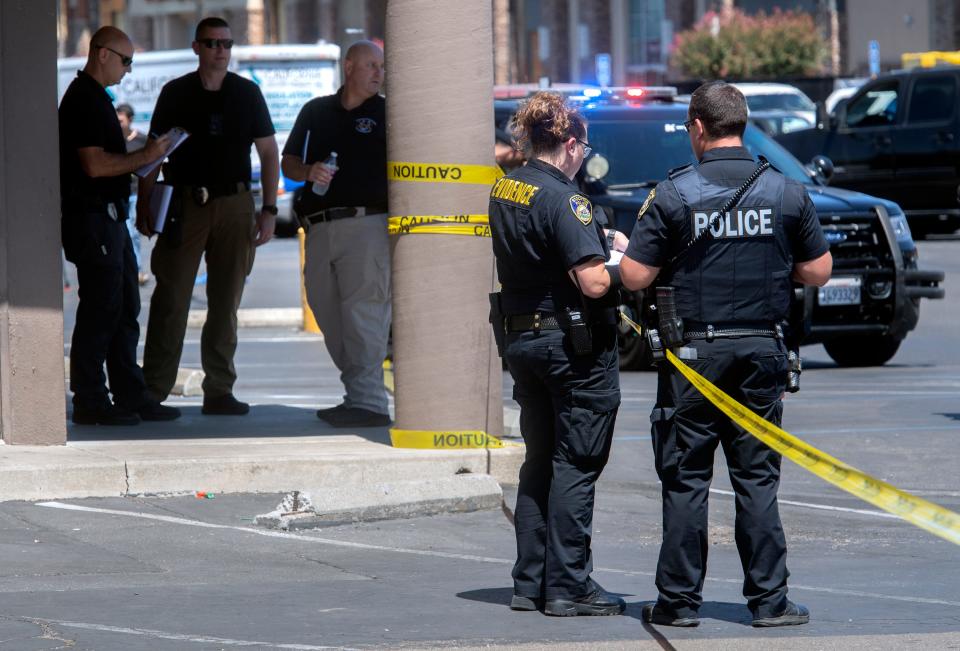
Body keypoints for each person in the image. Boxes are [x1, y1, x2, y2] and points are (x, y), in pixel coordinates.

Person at [620, 81, 833, 628]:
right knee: (757, 479)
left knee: (687, 479)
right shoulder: (785, 191)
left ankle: (678, 604)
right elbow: (819, 270)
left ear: (697, 127)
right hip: (762, 351)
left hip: (693, 357)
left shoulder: (673, 194)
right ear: (742, 123)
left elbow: (637, 275)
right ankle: (769, 602)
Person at [489, 92, 626, 617]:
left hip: (522, 339)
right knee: (577, 462)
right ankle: (569, 584)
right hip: (569, 346)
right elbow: (592, 282)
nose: (583, 156)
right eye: (583, 147)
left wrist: (595, 235)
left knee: (539, 462)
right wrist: (622, 267)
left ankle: (530, 582)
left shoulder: (508, 186)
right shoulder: (564, 198)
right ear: (569, 144)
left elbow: (546, 247)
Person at [136, 16, 280, 416]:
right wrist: (143, 204)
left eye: (227, 44)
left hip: (235, 205)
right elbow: (154, 152)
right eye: (212, 43)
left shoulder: (247, 93)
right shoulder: (176, 93)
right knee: (171, 297)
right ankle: (154, 388)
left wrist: (269, 210)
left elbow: (269, 153)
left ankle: (220, 389)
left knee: (225, 302)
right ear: (196, 47)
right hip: (184, 204)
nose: (220, 50)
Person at [59, 26, 180, 425]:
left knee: (125, 306)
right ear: (102, 54)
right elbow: (94, 165)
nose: (129, 69)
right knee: (102, 309)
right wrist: (144, 154)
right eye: (126, 60)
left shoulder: (97, 99)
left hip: (111, 218)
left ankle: (130, 392)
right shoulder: (83, 101)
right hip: (94, 219)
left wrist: (149, 159)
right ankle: (91, 398)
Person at [280, 41, 391, 428]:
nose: (379, 72)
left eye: (381, 66)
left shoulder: (388, 112)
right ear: (349, 67)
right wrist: (308, 171)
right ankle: (359, 391)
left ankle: (370, 402)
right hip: (319, 225)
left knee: (364, 313)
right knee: (327, 309)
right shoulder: (316, 111)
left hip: (368, 225)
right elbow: (288, 161)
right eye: (371, 65)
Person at [116, 103, 149, 285]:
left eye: (121, 120)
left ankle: (135, 269)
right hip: (121, 193)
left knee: (132, 232)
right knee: (125, 231)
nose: (118, 124)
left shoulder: (141, 140)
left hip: (135, 192)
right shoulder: (114, 141)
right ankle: (130, 269)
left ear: (129, 120)